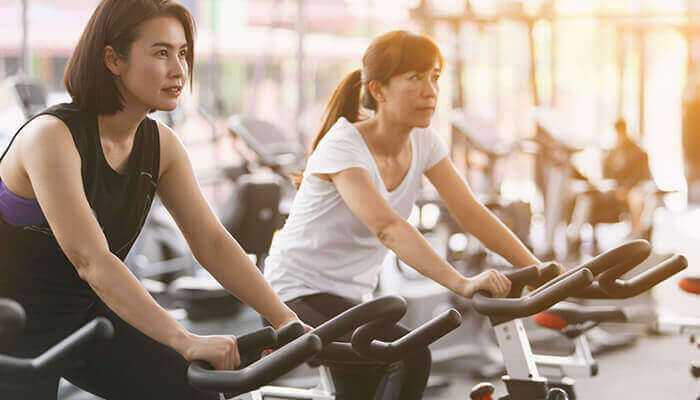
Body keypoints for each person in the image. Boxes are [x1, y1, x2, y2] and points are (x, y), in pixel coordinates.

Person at [0, 1, 302, 398]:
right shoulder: (51, 136)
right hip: (9, 322)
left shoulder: (162, 146)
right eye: (161, 52)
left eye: (182, 53)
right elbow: (92, 260)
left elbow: (210, 241)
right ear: (113, 59)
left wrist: (286, 320)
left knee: (193, 392)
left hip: (83, 314)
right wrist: (184, 339)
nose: (179, 69)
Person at [263, 30, 551, 400]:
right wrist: (460, 282)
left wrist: (538, 270)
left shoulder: (423, 141)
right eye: (414, 78)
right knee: (409, 354)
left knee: (374, 381)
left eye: (434, 77)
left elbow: (469, 211)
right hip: (292, 296)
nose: (430, 91)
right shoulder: (343, 145)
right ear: (379, 91)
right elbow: (387, 228)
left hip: (348, 300)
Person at [601, 118, 654, 237]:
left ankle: (637, 232)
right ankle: (635, 232)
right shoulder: (611, 153)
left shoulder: (637, 152)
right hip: (617, 188)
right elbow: (608, 175)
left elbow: (639, 175)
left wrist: (626, 188)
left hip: (634, 187)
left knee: (636, 198)